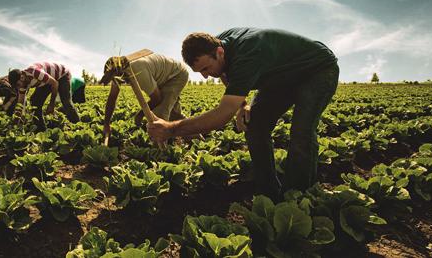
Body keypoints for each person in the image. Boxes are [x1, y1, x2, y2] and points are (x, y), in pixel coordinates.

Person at [147, 28, 339, 199]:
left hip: (317, 70)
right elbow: (224, 74)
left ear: (219, 52)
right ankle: (269, 192)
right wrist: (242, 105)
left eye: (206, 68)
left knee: (301, 131)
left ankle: (298, 196)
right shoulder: (218, 45)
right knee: (254, 125)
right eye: (200, 72)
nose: (206, 75)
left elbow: (222, 114)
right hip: (280, 78)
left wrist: (171, 129)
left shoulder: (248, 53)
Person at [99, 53, 189, 140]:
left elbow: (157, 98)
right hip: (164, 77)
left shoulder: (137, 70)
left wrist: (140, 114)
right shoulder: (119, 72)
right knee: (174, 114)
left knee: (160, 113)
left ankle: (158, 151)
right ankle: (196, 136)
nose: (115, 82)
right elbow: (112, 98)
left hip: (176, 75)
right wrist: (106, 124)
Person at [8, 62, 80, 130]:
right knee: (35, 102)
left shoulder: (35, 73)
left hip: (62, 74)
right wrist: (16, 121)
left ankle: (77, 125)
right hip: (47, 80)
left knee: (65, 101)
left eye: (18, 85)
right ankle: (41, 129)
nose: (18, 88)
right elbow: (20, 103)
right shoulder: (22, 84)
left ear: (22, 77)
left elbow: (55, 84)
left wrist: (51, 104)